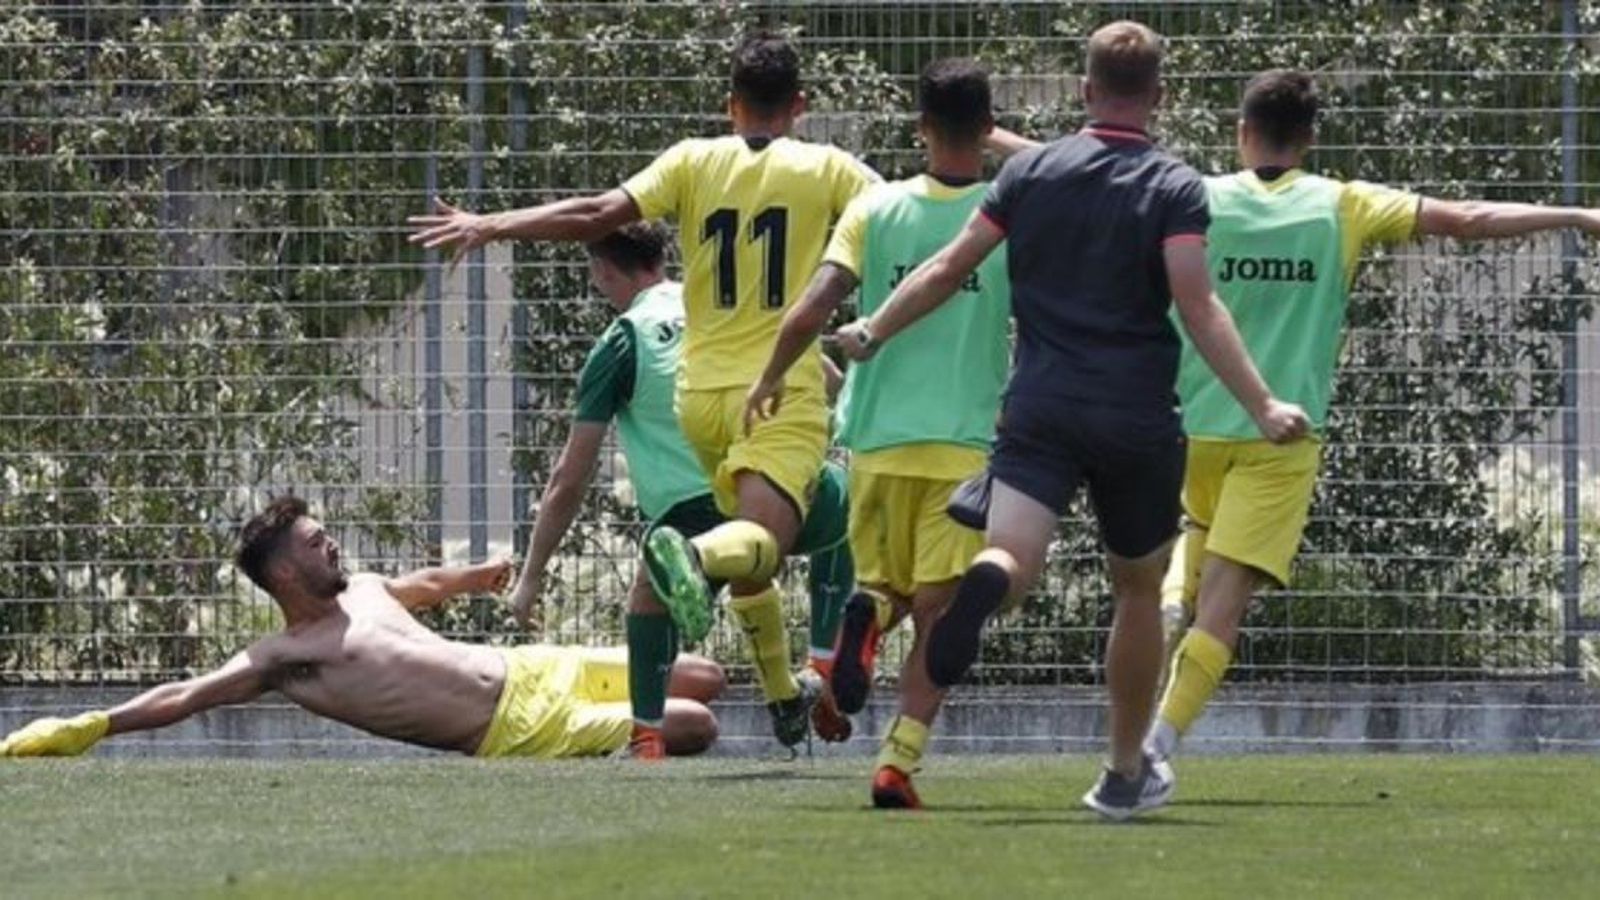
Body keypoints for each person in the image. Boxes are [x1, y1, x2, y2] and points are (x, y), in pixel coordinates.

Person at [834, 21, 1307, 819]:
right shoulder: (1175, 184)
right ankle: (1124, 772)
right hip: (1136, 415)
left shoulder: (1033, 173)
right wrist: (1261, 402)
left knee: (1010, 557)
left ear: (1086, 91)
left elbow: (949, 267)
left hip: (1041, 405)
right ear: (1157, 97)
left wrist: (873, 330)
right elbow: (1197, 303)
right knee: (1136, 589)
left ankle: (990, 582)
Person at [408, 32, 878, 748]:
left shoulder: (694, 159)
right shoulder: (831, 169)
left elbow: (598, 214)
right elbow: (903, 220)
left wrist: (492, 223)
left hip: (702, 398)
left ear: (731, 105)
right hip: (779, 390)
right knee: (765, 545)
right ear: (801, 107)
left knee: (747, 540)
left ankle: (782, 691)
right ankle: (695, 562)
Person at [1130, 69, 1600, 778]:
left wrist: (996, 140)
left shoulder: (1195, 195)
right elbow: (1469, 219)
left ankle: (1169, 600)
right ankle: (1155, 747)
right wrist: (1577, 217)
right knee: (1223, 607)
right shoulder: (1341, 203)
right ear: (1311, 139)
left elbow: (1079, 172)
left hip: (1192, 422)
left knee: (1195, 537)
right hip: (1280, 434)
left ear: (1241, 130)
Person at [746, 58, 1010, 809]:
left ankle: (867, 615)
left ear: (918, 127)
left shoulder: (875, 208)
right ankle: (897, 761)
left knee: (885, 584)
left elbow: (813, 305)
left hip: (874, 436)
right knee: (944, 612)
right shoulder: (1009, 213)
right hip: (961, 443)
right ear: (987, 129)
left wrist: (769, 377)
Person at [0, 497, 724, 759]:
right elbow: (185, 695)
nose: (332, 545)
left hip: (534, 665)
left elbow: (425, 587)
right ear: (283, 575)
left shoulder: (369, 587)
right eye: (316, 544)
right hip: (517, 727)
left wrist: (477, 576)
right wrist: (92, 724)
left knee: (704, 675)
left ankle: (633, 736)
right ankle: (630, 753)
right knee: (693, 722)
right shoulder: (287, 655)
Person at [509, 222, 856, 757]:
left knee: (650, 598)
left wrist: (530, 579)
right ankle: (818, 669)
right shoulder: (726, 305)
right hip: (776, 486)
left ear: (602, 271)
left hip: (691, 512)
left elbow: (569, 479)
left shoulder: (623, 341)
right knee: (841, 507)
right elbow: (828, 377)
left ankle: (647, 738)